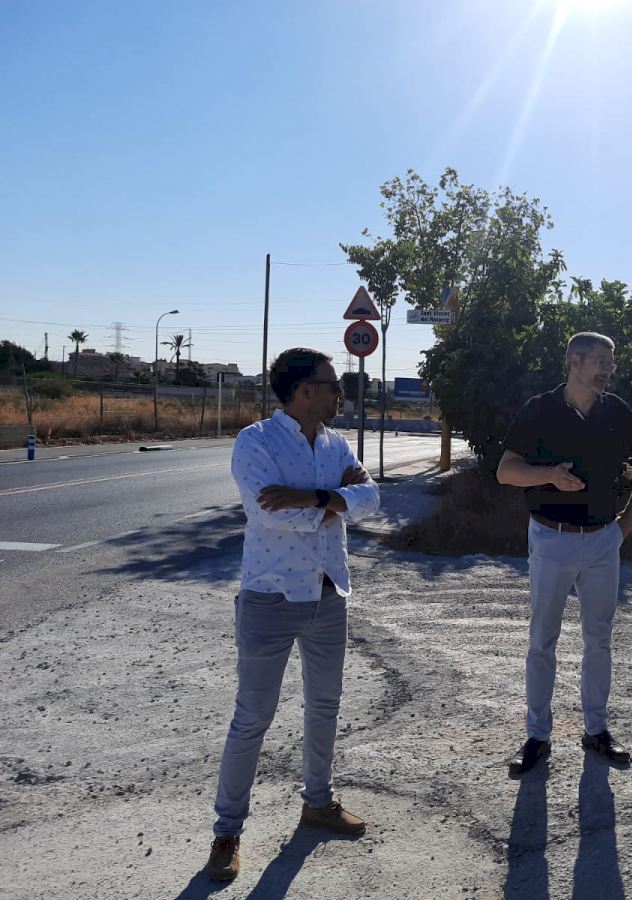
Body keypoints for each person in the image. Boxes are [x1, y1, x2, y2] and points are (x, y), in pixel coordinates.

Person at [204, 348, 380, 882]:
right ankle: (227, 832)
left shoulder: (335, 443)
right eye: (332, 384)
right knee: (252, 719)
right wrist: (335, 502)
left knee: (325, 706)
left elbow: (371, 499)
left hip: (329, 595)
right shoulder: (255, 441)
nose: (340, 392)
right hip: (270, 598)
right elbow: (271, 515)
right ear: (305, 391)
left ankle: (318, 804)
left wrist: (314, 497)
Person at [497, 332, 632, 776]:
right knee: (542, 640)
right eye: (600, 361)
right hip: (551, 537)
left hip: (604, 538)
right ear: (575, 361)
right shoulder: (540, 409)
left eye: (611, 362)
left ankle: (597, 730)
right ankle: (537, 736)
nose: (608, 370)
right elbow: (506, 471)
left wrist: (629, 518)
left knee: (599, 638)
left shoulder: (615, 410)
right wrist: (549, 475)